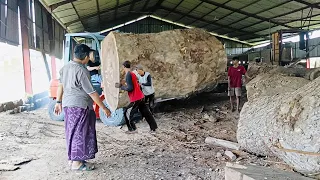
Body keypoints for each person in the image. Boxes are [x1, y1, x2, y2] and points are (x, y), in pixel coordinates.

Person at [54, 44, 111, 171]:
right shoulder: (82, 70)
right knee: (80, 133)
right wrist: (103, 108)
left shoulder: (65, 67)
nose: (90, 59)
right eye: (89, 56)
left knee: (72, 131)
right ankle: (77, 164)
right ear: (85, 57)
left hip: (68, 105)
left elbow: (60, 86)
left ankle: (74, 159)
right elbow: (92, 92)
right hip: (80, 106)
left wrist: (58, 102)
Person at [115, 61, 158, 134]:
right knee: (146, 113)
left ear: (124, 67)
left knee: (127, 112)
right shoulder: (132, 73)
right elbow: (133, 83)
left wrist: (121, 87)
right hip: (140, 96)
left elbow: (130, 88)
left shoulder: (128, 74)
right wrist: (122, 83)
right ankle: (153, 128)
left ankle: (132, 129)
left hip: (136, 98)